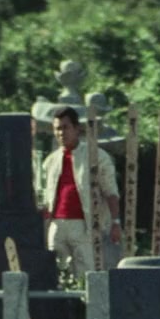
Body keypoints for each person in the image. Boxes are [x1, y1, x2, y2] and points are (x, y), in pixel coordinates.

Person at [36, 106, 121, 276]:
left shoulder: (96, 156)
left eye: (65, 127)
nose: (61, 133)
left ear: (76, 128)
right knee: (57, 274)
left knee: (86, 273)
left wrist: (115, 222)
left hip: (84, 224)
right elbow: (43, 195)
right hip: (56, 224)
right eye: (57, 129)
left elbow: (110, 191)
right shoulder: (50, 161)